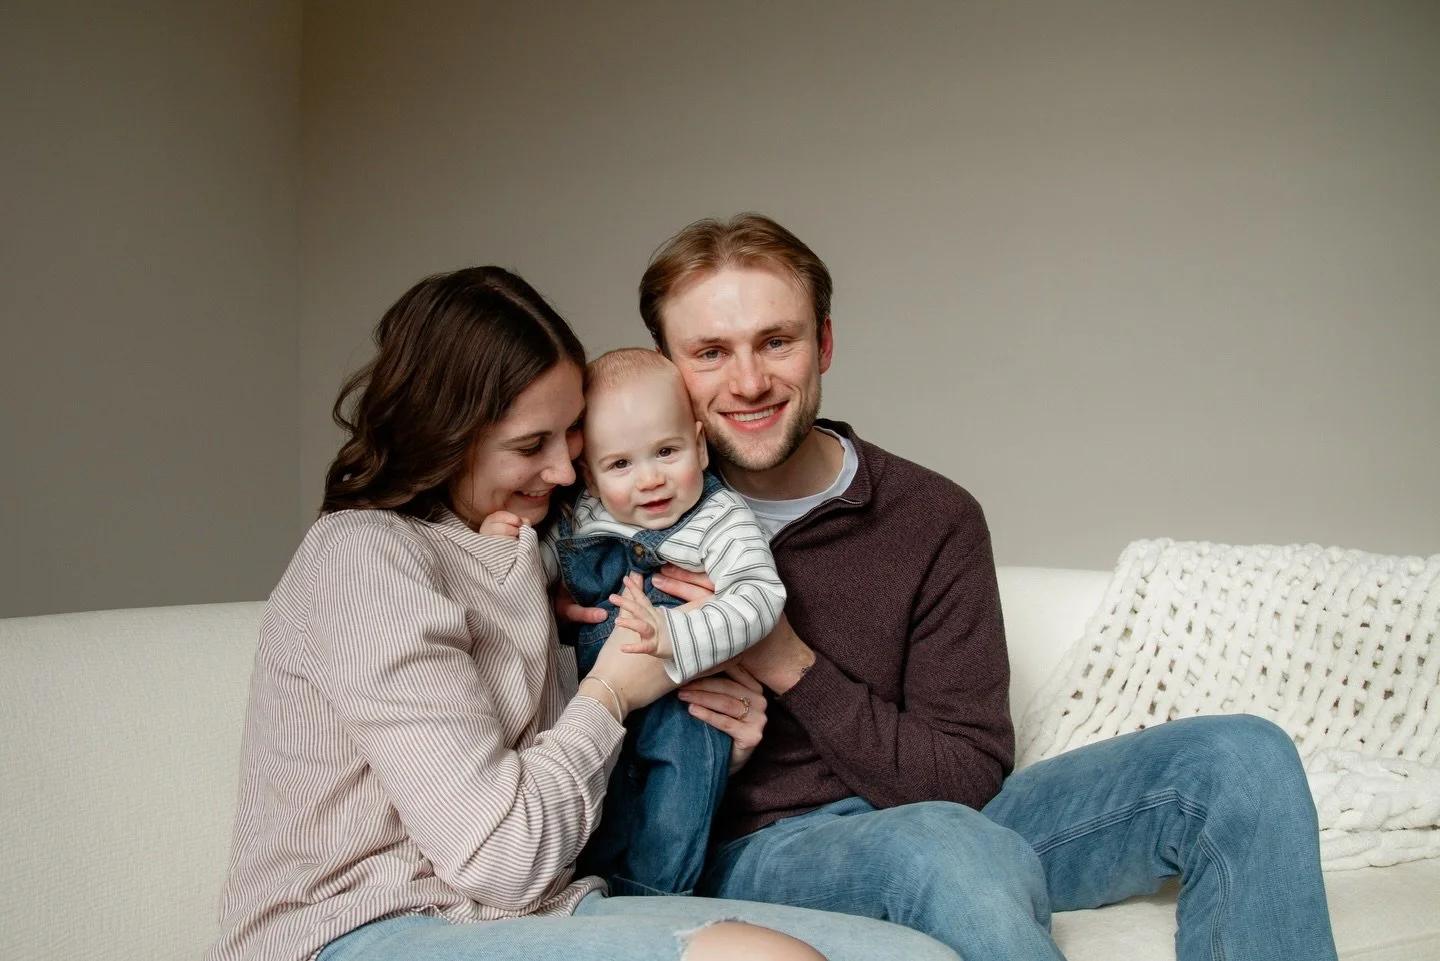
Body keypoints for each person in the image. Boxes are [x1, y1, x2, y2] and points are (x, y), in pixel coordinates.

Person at [564, 213, 1340, 961]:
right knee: (946, 847)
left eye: (777, 340)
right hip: (756, 850)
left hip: (949, 824)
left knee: (1242, 757)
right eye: (710, 353)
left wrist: (788, 660)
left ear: (824, 343)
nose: (750, 380)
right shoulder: (605, 539)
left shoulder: (930, 518)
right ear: (667, 365)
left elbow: (967, 779)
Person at [206, 266, 960, 961]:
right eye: (531, 445)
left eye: (570, 437)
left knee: (911, 956)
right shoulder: (363, 558)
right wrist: (614, 691)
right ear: (446, 436)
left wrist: (701, 747)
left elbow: (557, 813)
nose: (568, 472)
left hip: (536, 911)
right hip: (362, 928)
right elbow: (502, 858)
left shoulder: (538, 551)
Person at [531, 347, 786, 895]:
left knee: (674, 819)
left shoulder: (721, 518)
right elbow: (541, 566)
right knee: (599, 818)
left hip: (690, 703)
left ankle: (657, 908)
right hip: (598, 709)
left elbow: (761, 597)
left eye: (667, 451)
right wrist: (512, 560)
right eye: (621, 464)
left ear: (698, 443)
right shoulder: (584, 513)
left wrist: (676, 636)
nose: (649, 480)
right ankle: (591, 906)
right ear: (589, 475)